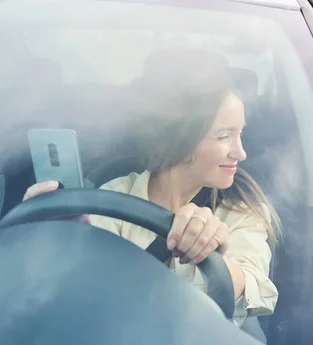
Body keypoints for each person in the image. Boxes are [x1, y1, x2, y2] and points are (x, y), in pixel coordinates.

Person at [23, 49, 280, 328]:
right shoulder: (112, 197)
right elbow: (79, 291)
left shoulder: (241, 208)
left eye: (240, 133)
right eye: (224, 136)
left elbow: (255, 288)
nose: (241, 153)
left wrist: (215, 256)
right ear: (182, 140)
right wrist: (43, 241)